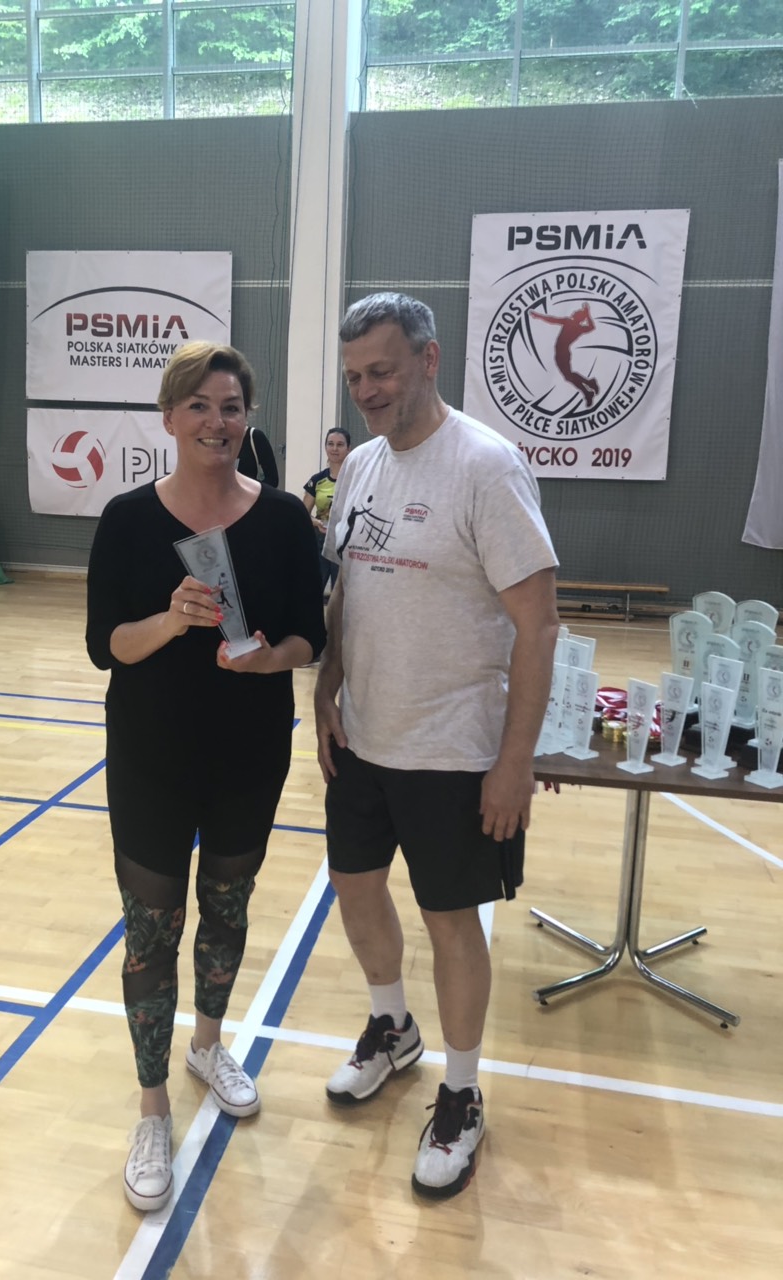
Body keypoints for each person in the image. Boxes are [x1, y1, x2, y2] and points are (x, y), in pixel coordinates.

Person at [314, 294, 559, 1200]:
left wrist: (514, 762)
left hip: (455, 750)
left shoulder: (487, 467)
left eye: (381, 370)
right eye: (354, 377)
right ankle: (393, 1028)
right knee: (355, 886)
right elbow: (348, 593)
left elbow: (539, 626)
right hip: (363, 737)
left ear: (428, 359)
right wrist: (327, 686)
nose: (367, 390)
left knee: (451, 921)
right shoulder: (362, 467)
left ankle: (461, 1092)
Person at [86, 341, 325, 1214]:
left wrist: (270, 661)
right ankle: (152, 1108)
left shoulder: (285, 520)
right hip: (151, 755)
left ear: (246, 418)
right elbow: (105, 645)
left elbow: (309, 637)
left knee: (227, 908)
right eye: (199, 405)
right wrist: (170, 620)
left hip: (248, 753)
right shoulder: (126, 519)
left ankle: (209, 1044)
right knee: (151, 932)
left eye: (230, 407)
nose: (216, 422)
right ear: (169, 417)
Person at [302, 428, 351, 592]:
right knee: (313, 589)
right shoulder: (317, 480)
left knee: (341, 591)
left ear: (348, 448)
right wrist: (316, 522)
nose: (335, 449)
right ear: (325, 447)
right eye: (330, 444)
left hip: (345, 542)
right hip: (320, 541)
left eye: (340, 444)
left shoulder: (356, 478)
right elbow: (303, 514)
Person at [237, 422, 280, 486]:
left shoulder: (255, 437)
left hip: (250, 491)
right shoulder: (221, 440)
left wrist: (250, 489)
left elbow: (273, 480)